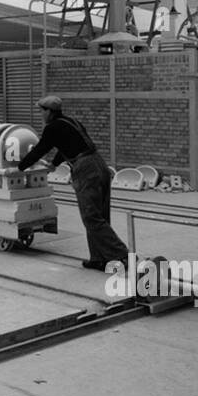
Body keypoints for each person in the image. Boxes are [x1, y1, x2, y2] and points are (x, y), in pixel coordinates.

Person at [16, 94, 129, 270]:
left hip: (85, 169)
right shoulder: (71, 122)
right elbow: (66, 146)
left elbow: (39, 149)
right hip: (99, 164)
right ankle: (99, 258)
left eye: (41, 111)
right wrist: (54, 164)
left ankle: (123, 255)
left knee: (91, 217)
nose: (40, 114)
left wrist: (19, 168)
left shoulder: (52, 128)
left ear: (49, 112)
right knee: (100, 216)